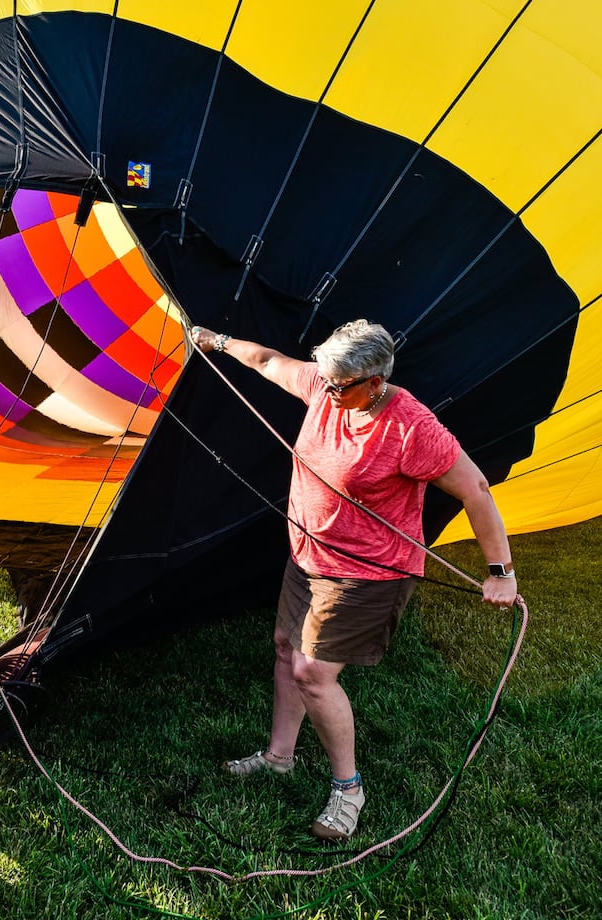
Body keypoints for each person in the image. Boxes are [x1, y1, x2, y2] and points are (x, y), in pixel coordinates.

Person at [188, 320, 518, 842]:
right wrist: (216, 342)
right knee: (284, 649)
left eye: (339, 385)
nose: (326, 390)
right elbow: (269, 362)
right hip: (309, 557)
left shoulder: (410, 427)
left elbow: (476, 488)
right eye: (325, 378)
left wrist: (500, 571)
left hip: (367, 572)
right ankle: (279, 758)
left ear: (375, 380)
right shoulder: (327, 384)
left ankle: (349, 789)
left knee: (312, 674)